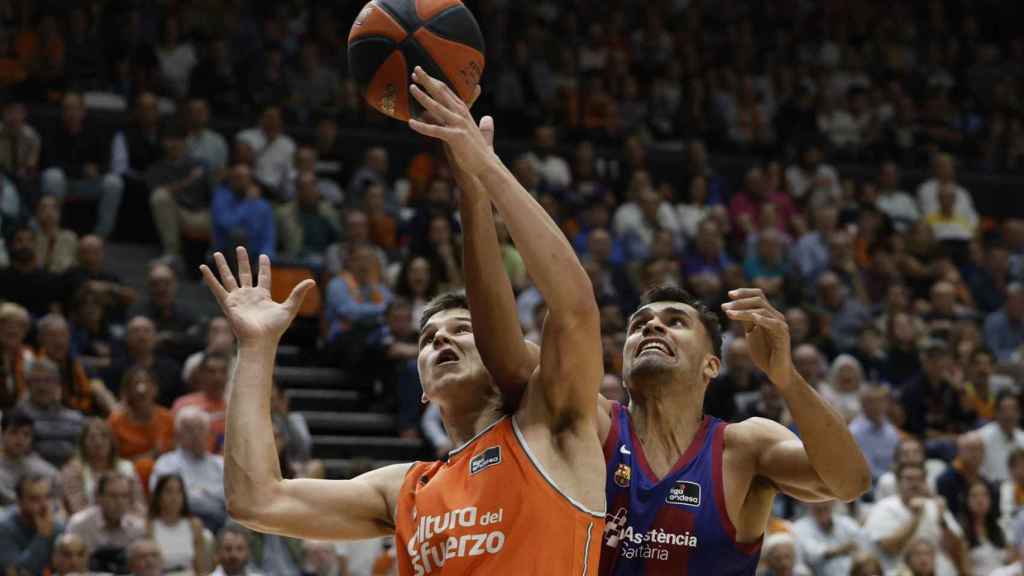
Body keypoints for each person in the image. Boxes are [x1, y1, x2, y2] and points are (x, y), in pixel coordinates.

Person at [429, 69, 871, 575]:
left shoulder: (745, 447)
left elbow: (850, 481)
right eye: (640, 324)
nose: (651, 328)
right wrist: (473, 187)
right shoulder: (588, 425)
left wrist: (787, 379)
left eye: (675, 321)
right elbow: (502, 347)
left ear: (711, 365)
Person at [204, 73, 608, 576]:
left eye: (463, 329)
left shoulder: (555, 427)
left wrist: (482, 173)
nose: (441, 337)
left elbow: (573, 309)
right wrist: (257, 347)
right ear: (421, 390)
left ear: (506, 353)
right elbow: (256, 501)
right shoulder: (405, 489)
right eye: (427, 336)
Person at [864, 462, 967, 576]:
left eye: (919, 479)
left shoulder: (935, 506)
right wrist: (915, 517)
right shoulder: (884, 508)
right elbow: (889, 547)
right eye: (909, 479)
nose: (915, 484)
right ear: (898, 482)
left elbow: (957, 548)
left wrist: (942, 520)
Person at [150, 407, 226, 533]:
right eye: (190, 430)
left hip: (220, 522)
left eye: (201, 429)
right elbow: (164, 499)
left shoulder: (220, 464)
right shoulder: (166, 464)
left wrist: (197, 493)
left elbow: (232, 499)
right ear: (178, 435)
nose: (197, 435)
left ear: (209, 433)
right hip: (182, 520)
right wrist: (210, 496)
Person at [61, 417, 144, 516]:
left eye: (103, 436)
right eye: (92, 438)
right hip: (88, 525)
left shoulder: (127, 467)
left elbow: (139, 504)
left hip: (127, 524)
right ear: (83, 443)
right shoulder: (73, 470)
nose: (98, 442)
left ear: (111, 442)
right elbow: (77, 508)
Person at [65, 471, 146, 571]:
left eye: (124, 496)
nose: (119, 502)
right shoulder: (79, 524)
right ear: (99, 497)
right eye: (113, 496)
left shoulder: (137, 527)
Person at [16, 357, 85, 468]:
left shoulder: (75, 418)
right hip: (33, 473)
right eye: (37, 381)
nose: (42, 387)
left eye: (48, 380)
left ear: (57, 384)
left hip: (73, 472)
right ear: (28, 385)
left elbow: (85, 452)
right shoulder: (20, 417)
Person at [147, 473, 212, 574]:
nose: (174, 497)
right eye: (169, 491)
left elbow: (201, 569)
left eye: (179, 492)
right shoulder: (150, 525)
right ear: (159, 496)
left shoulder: (194, 525)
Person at [0, 474, 63, 574]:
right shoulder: (3, 528)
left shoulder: (57, 526)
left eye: (47, 497)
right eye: (35, 499)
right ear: (19, 501)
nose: (44, 505)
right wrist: (42, 536)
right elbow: (19, 572)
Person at [0, 410, 60, 507]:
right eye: (14, 432)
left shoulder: (37, 465)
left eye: (26, 434)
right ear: (2, 434)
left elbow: (56, 481)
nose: (20, 439)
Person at [792, 501, 866, 576]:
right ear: (809, 506)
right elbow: (817, 554)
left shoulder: (846, 522)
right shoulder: (800, 527)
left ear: (832, 504)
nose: (822, 510)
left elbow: (861, 543)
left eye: (825, 507)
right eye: (818, 508)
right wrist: (844, 549)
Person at [962, 478, 1008, 576]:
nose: (980, 500)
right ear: (967, 500)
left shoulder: (1001, 528)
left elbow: (1010, 561)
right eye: (974, 496)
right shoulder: (962, 532)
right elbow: (965, 571)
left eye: (984, 495)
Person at [979, 392, 1024, 483]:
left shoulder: (1022, 438)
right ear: (996, 413)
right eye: (1004, 410)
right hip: (991, 489)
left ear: (1019, 413)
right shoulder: (982, 437)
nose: (1009, 414)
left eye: (1013, 409)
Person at [0, 302, 33, 413]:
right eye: (6, 323)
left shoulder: (28, 355)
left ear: (25, 332)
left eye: (19, 325)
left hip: (21, 413)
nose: (13, 328)